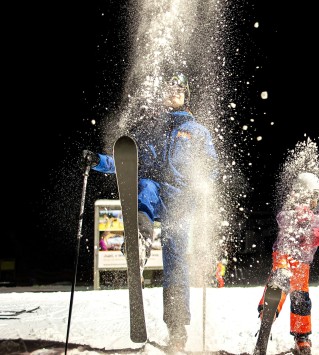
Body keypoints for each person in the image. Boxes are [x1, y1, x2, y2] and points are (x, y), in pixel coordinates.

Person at [83, 72, 218, 350]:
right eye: (168, 88)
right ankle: (140, 240)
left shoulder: (197, 132)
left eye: (178, 89)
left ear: (186, 95)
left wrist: (206, 185)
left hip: (181, 201)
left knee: (177, 265)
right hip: (155, 192)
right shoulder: (150, 129)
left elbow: (210, 165)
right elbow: (127, 161)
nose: (172, 93)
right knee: (145, 186)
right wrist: (98, 161)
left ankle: (177, 328)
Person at [256, 172, 319, 355]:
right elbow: (282, 220)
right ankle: (269, 309)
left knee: (301, 299)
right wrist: (300, 214)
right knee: (281, 279)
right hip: (284, 255)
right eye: (308, 196)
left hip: (303, 263)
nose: (311, 200)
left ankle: (302, 336)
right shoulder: (288, 211)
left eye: (315, 196)